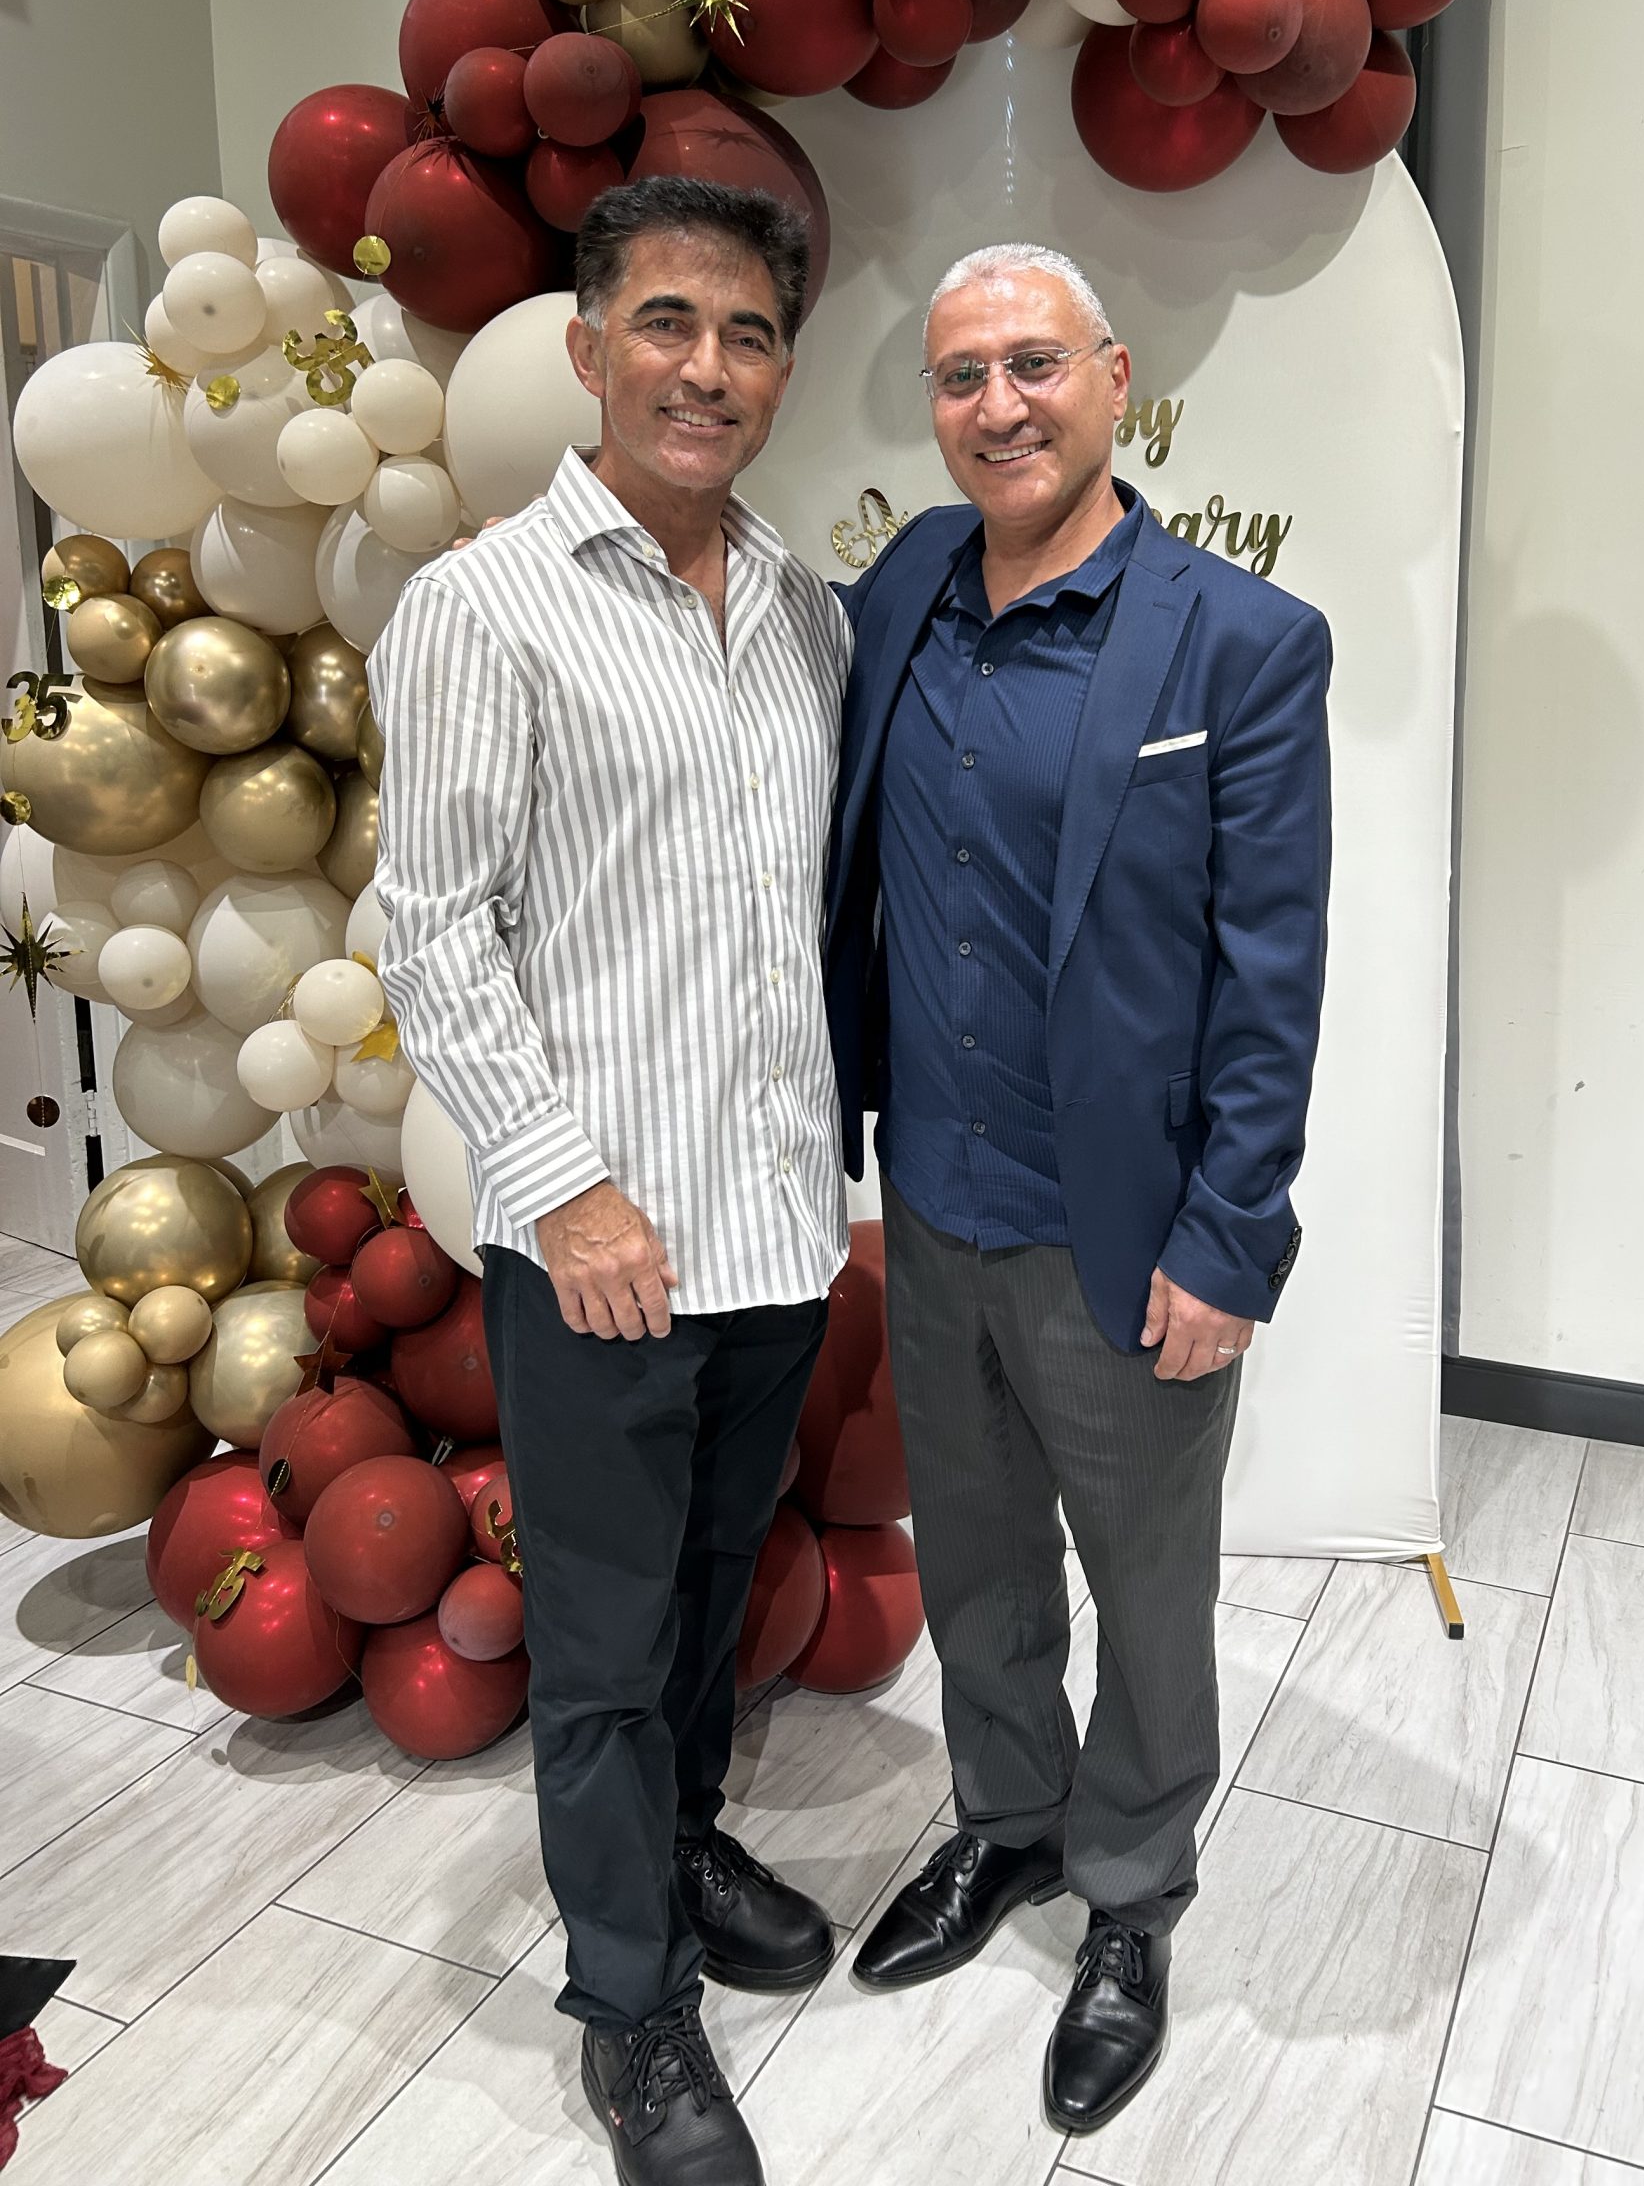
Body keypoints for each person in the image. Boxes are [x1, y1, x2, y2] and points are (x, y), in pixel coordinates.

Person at [370, 177, 850, 2186]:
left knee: (712, 1589)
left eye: (747, 334)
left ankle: (678, 1842)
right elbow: (431, 932)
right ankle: (630, 2004)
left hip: (773, 1223)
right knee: (597, 1638)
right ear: (586, 350)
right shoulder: (483, 605)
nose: (706, 367)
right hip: (600, 1248)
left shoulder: (810, 611)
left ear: (780, 371)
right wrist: (564, 1185)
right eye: (667, 322)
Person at [826, 243, 1332, 2136]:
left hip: (1128, 1235)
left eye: (1034, 364)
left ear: (1116, 380)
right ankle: (1008, 1820)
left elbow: (1273, 978)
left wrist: (1233, 1239)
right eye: (962, 375)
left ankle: (1130, 1890)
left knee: (1148, 1579)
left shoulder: (1241, 643)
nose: (1000, 406)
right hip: (934, 1199)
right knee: (974, 1557)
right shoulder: (901, 591)